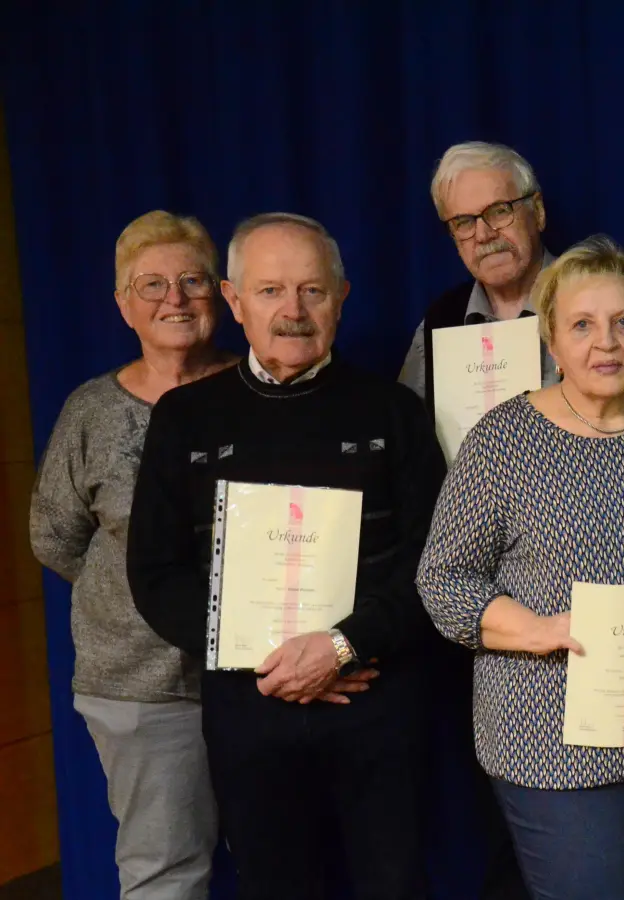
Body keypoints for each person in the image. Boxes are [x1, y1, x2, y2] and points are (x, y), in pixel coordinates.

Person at [126, 213, 445, 899]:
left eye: (312, 291)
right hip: (251, 704)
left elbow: (432, 561)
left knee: (397, 884)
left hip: (379, 697)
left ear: (342, 296)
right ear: (234, 301)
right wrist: (273, 656)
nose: (293, 312)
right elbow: (154, 573)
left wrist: (341, 648)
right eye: (270, 291)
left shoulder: (395, 411)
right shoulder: (184, 418)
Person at [416, 235, 624, 900]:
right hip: (548, 745)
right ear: (551, 341)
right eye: (582, 325)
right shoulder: (503, 440)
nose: (604, 343)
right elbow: (442, 581)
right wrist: (541, 630)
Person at [29, 210, 234, 899]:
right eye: (151, 285)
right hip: (140, 691)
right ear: (123, 305)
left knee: (292, 863)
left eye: (191, 281)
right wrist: (138, 597)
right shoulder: (91, 411)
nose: (173, 299)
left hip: (270, 677)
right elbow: (54, 536)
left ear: (223, 294)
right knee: (164, 874)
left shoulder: (262, 392)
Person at [398, 141, 624, 408]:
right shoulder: (438, 324)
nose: (484, 234)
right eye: (463, 222)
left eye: (499, 211)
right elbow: (409, 443)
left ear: (538, 211)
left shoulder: (612, 298)